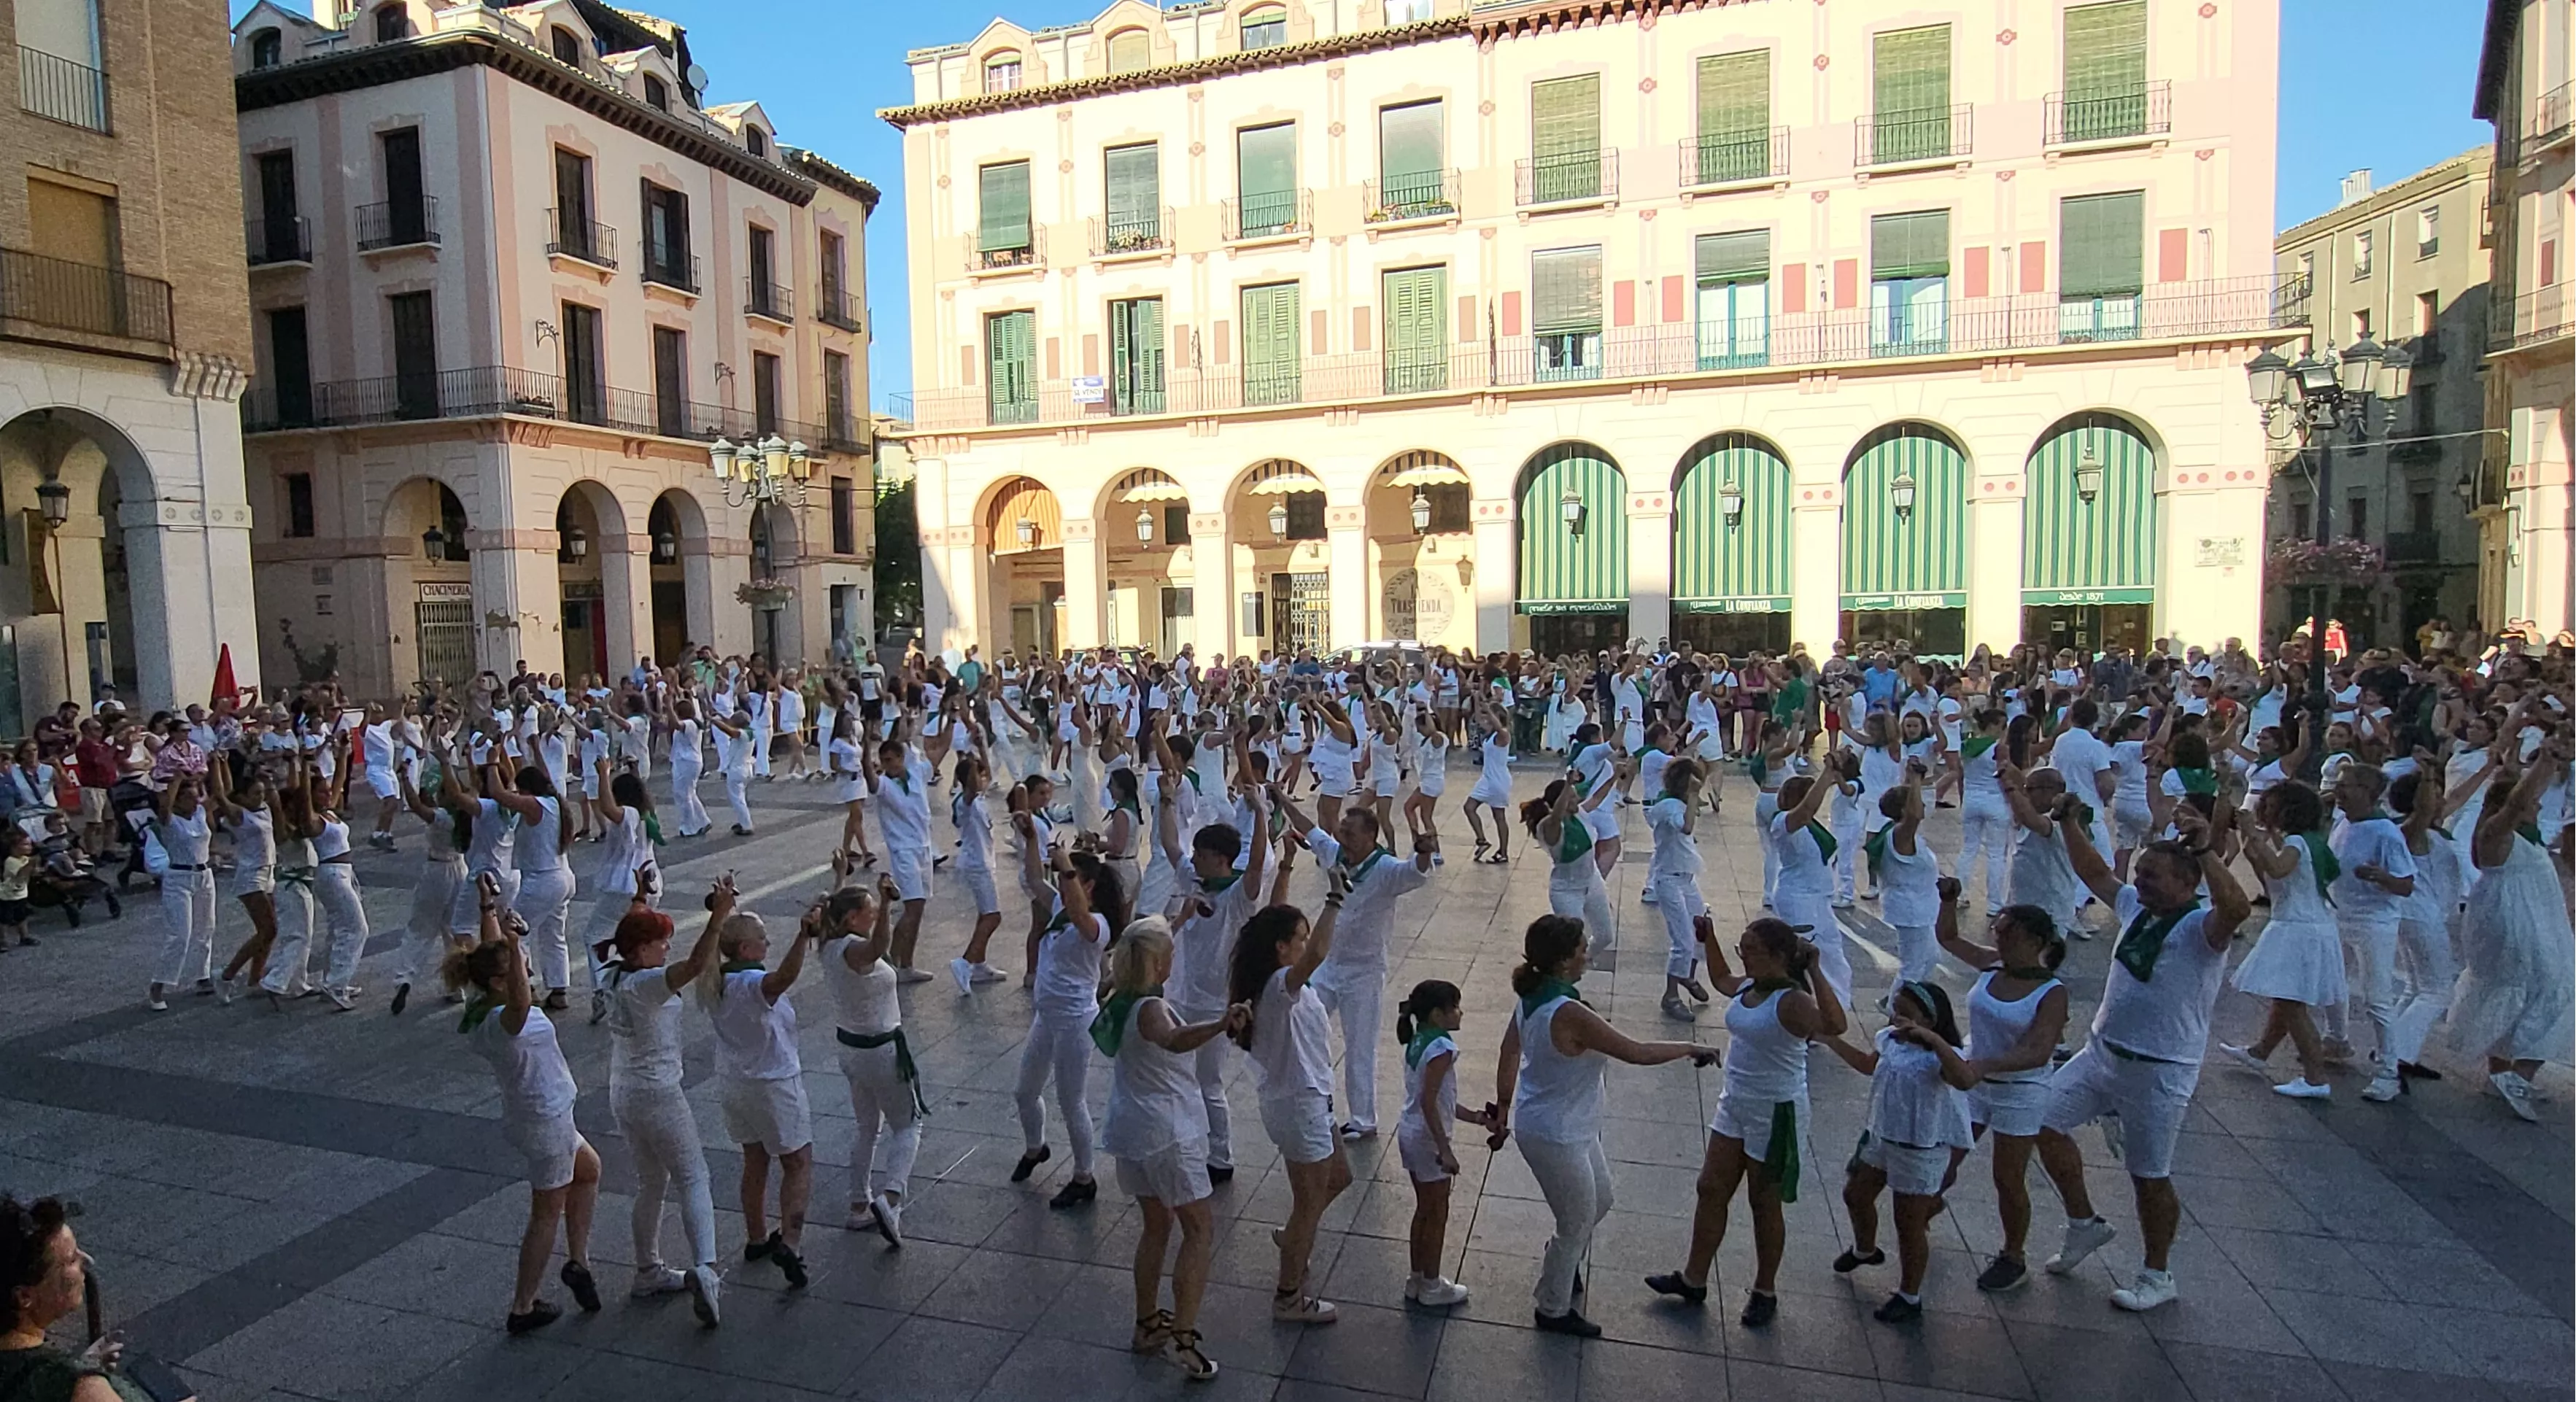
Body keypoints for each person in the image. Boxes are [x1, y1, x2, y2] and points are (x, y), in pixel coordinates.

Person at [2031, 799, 2251, 1312]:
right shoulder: (2135, 908)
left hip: (2159, 1070)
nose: (2141, 883)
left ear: (2186, 883)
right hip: (2100, 1053)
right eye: (2142, 874)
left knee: (2148, 1175)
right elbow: (2093, 871)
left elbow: (2236, 910)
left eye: (2153, 876)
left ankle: (2157, 1273)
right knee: (2039, 1120)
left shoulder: (2201, 929)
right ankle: (2084, 1223)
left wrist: (2207, 853)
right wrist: (2066, 821)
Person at [1493, 913, 1718, 1336]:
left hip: (1565, 1125)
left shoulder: (1534, 994)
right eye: (1581, 949)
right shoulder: (1568, 1011)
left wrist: (1505, 1105)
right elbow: (1634, 1051)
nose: (1587, 954)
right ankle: (1553, 1308)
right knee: (1576, 1220)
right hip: (1554, 1134)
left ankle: (1563, 1256)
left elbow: (1508, 1050)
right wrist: (1689, 1047)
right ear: (1563, 960)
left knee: (1602, 1199)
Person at [1647, 916, 1846, 1325]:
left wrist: (1814, 970)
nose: (1744, 958)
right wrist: (1710, 938)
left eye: (1750, 951)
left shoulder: (1792, 1000)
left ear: (1777, 956)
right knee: (1711, 1187)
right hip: (1736, 1101)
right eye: (1743, 950)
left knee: (1763, 1202)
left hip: (1776, 1110)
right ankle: (1694, 1277)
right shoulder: (1750, 987)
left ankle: (1765, 1288)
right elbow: (1721, 979)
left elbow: (1835, 1025)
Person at [444, 878, 603, 1333]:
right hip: (544, 1118)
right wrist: (515, 948)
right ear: (501, 981)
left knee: (589, 1170)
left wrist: (489, 907)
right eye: (519, 967)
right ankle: (523, 1305)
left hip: (542, 1113)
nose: (527, 970)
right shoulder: (502, 1021)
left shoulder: (482, 999)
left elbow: (491, 953)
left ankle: (578, 1261)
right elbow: (517, 997)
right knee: (545, 1210)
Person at [1096, 915, 1242, 1383]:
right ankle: (1184, 1338)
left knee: (1155, 1227)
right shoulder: (1149, 1008)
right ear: (1157, 962)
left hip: (1131, 1129)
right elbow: (1175, 1040)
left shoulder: (1116, 997)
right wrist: (1222, 1023)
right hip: (1167, 1134)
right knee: (1198, 1230)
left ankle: (1146, 1324)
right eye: (1170, 954)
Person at [1269, 790, 1433, 1140]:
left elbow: (1415, 874)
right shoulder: (1335, 853)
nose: (1342, 835)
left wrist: (1423, 853)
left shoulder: (1386, 869)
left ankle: (1363, 1120)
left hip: (1365, 972)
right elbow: (1310, 830)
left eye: (1350, 832)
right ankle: (1303, 1090)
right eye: (1342, 830)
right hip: (1327, 966)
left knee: (1360, 1046)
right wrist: (1281, 799)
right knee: (1298, 1017)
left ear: (1370, 837)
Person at [1226, 870, 1351, 1325]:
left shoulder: (1273, 981)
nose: (1304, 942)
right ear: (1282, 948)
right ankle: (1288, 1296)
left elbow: (1287, 929)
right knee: (1310, 1201)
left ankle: (1295, 1234)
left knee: (1339, 1177)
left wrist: (1286, 867)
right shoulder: (1281, 987)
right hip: (1299, 1105)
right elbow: (1318, 952)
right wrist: (1334, 898)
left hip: (1308, 1099)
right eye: (1296, 937)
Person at [1932, 889, 2069, 1293]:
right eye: (1998, 931)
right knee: (1945, 1152)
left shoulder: (2052, 992)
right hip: (1976, 1080)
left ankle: (2014, 1254)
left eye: (2009, 934)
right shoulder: (1992, 964)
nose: (2000, 939)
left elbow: (2038, 1050)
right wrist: (1947, 901)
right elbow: (1948, 938)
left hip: (2019, 1090)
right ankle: (1925, 1205)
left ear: (2037, 943)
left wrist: (1986, 1065)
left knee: (2008, 1177)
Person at [597, 891, 723, 1326]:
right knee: (693, 1175)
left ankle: (648, 1270)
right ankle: (706, 1268)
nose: (667, 946)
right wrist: (718, 918)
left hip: (624, 1090)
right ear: (640, 950)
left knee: (651, 1182)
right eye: (660, 940)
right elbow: (692, 967)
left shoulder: (613, 977)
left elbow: (643, 938)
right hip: (658, 1092)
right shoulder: (645, 984)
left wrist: (639, 897)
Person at [1817, 980, 1976, 1322]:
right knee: (1855, 1195)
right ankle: (1865, 1248)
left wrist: (1932, 1040)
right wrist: (1828, 1039)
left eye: (1907, 1012)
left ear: (1930, 1020)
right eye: (1895, 1009)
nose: (1897, 1017)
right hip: (1882, 1136)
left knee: (1908, 1224)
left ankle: (1910, 1294)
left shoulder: (1944, 1055)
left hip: (1920, 1148)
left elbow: (1964, 1080)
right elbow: (1866, 1064)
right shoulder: (1888, 1039)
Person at [2446, 727, 2575, 1121]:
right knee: (2544, 988)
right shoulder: (2495, 834)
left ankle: (2506, 1072)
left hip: (2532, 920)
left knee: (2533, 991)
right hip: (2517, 925)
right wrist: (2546, 760)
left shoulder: (2525, 839)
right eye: (2533, 803)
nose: (2538, 808)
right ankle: (2513, 1071)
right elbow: (2520, 799)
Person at [696, 900, 815, 1289]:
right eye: (762, 938)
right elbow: (783, 979)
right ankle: (791, 1242)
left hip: (734, 1083)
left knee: (754, 1159)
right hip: (773, 1082)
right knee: (797, 1162)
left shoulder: (716, 982)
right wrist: (803, 935)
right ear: (745, 949)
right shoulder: (750, 984)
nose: (768, 943)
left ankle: (757, 1236)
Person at [2216, 781, 2346, 1097]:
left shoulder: (2299, 843)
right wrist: (2256, 844)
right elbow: (2275, 879)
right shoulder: (2309, 840)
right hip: (2303, 924)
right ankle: (2260, 1052)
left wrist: (2255, 836)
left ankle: (2316, 1077)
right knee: (2286, 999)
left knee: (2292, 1005)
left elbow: (2277, 868)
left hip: (2298, 929)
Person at [1013, 850, 1122, 1209]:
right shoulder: (1063, 903)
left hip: (1076, 1019)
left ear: (1087, 885)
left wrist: (1067, 869)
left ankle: (1084, 1176)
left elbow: (1079, 916)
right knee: (1025, 1091)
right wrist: (1029, 837)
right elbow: (1032, 881)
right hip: (1047, 1015)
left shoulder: (1099, 924)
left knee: (1071, 1100)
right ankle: (1036, 1147)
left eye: (1068, 878)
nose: (1060, 883)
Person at [821, 872, 924, 1247]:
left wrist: (839, 875)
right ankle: (891, 1199)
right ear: (852, 919)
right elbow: (880, 945)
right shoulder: (854, 951)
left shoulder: (827, 945)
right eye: (871, 909)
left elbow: (836, 909)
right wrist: (889, 905)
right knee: (908, 1126)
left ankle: (858, 1203)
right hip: (879, 1049)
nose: (877, 911)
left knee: (867, 1126)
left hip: (850, 1048)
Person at [1167, 817, 1272, 1183]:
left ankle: (1220, 1156)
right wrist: (1166, 799)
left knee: (1209, 1081)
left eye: (1201, 853)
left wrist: (1260, 811)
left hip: (1216, 1004)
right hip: (1182, 997)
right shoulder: (1197, 885)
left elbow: (1256, 863)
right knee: (1181, 1077)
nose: (1194, 859)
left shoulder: (1238, 896)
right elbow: (1170, 845)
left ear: (1221, 858)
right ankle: (1190, 1142)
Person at [2, 1193, 178, 1401]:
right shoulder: (78, 1386)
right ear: (24, 1296)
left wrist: (86, 1364)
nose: (87, 1260)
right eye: (71, 1260)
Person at [1393, 979, 1494, 1309]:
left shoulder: (1420, 1040)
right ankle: (1433, 1285)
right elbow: (1430, 1101)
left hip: (1410, 1133)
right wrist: (1445, 1150)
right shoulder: (1443, 1049)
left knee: (1424, 1209)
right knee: (1437, 1212)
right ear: (1438, 1014)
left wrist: (1477, 1118)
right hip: (1427, 1140)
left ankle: (1417, 1277)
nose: (1460, 1013)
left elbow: (1440, 1100)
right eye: (1455, 1007)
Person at [1645, 756, 1715, 1020]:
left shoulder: (1676, 803)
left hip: (1686, 878)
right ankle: (1671, 995)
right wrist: (1695, 795)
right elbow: (1686, 827)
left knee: (1700, 933)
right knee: (1682, 940)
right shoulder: (1669, 807)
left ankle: (1687, 975)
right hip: (1669, 880)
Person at [145, 773, 217, 1012]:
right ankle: (159, 985)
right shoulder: (169, 820)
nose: (194, 801)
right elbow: (165, 807)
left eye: (195, 796)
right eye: (188, 797)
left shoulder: (199, 813)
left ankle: (202, 974)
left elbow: (219, 794)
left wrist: (216, 766)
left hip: (204, 874)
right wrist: (176, 779)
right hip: (179, 876)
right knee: (180, 935)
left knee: (206, 927)